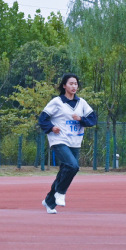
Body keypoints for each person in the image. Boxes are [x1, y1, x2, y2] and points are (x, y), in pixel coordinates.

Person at [38, 73, 97, 214]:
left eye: (76, 84)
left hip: (75, 141)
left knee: (65, 170)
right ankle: (60, 192)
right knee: (73, 166)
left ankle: (49, 201)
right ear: (64, 85)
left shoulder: (82, 103)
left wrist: (81, 119)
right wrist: (52, 127)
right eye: (71, 83)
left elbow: (92, 120)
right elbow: (42, 119)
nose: (74, 86)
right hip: (59, 139)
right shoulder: (57, 102)